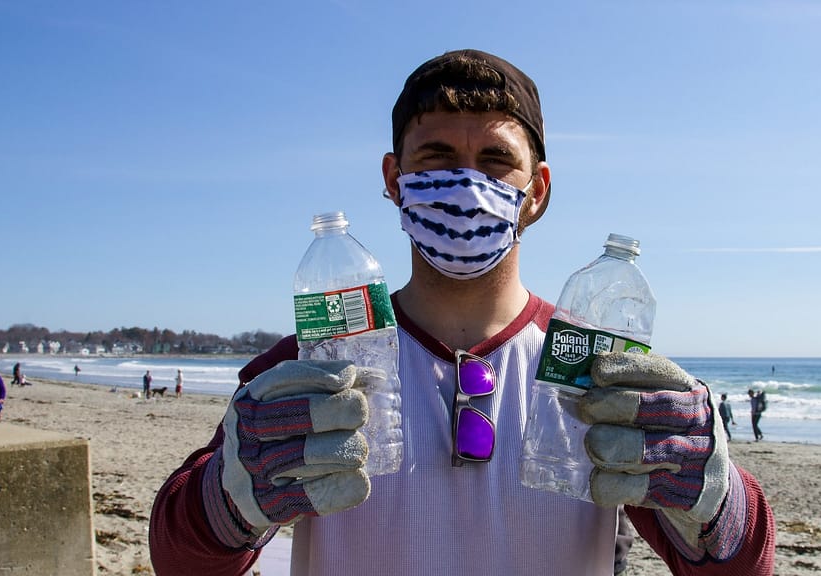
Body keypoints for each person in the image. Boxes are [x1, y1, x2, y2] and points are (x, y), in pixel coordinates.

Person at [149, 49, 775, 576]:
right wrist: (227, 500)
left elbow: (735, 565)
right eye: (437, 157)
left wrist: (716, 498)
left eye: (497, 160)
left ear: (539, 190)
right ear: (394, 179)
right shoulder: (322, 357)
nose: (466, 183)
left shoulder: (587, 358)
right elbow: (181, 557)